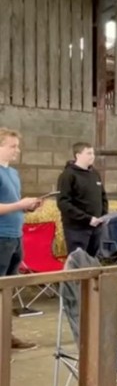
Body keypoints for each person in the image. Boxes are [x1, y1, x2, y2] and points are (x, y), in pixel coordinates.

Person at [0, 128, 40, 350]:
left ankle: (7, 334)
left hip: (15, 236)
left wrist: (28, 208)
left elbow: (12, 205)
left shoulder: (13, 173)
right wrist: (19, 205)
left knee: (10, 289)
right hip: (0, 237)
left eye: (17, 146)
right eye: (12, 146)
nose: (17, 150)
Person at [56, 142, 109, 257]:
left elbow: (103, 196)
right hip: (77, 229)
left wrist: (103, 215)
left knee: (92, 259)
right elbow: (63, 202)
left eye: (93, 153)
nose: (92, 156)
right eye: (88, 153)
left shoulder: (95, 173)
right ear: (78, 155)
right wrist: (86, 218)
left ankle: (89, 275)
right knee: (78, 260)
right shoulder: (68, 175)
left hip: (96, 226)